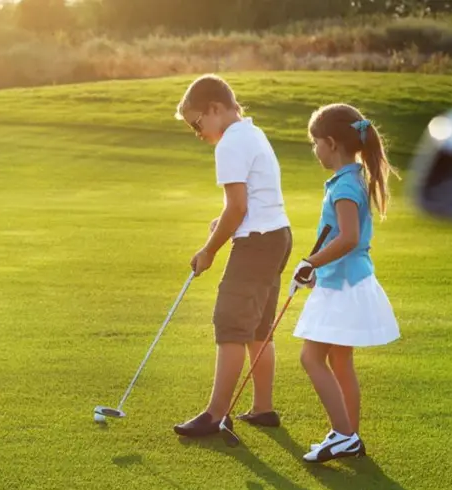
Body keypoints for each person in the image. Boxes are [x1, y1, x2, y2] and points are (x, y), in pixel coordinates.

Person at [172, 74, 293, 437]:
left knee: (230, 325)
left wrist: (209, 250)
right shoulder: (253, 133)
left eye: (197, 123)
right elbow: (248, 201)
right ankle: (263, 409)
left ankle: (215, 415)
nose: (197, 133)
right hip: (278, 236)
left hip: (256, 244)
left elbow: (238, 207)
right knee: (258, 329)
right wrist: (221, 222)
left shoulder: (228, 144)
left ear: (214, 109)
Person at [290, 103, 401, 463]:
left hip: (342, 286)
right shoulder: (351, 180)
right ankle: (348, 435)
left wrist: (310, 262)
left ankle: (344, 435)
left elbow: (349, 237)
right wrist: (316, 269)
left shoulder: (345, 187)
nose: (315, 150)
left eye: (316, 143)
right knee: (340, 361)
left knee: (311, 358)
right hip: (346, 280)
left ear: (332, 143)